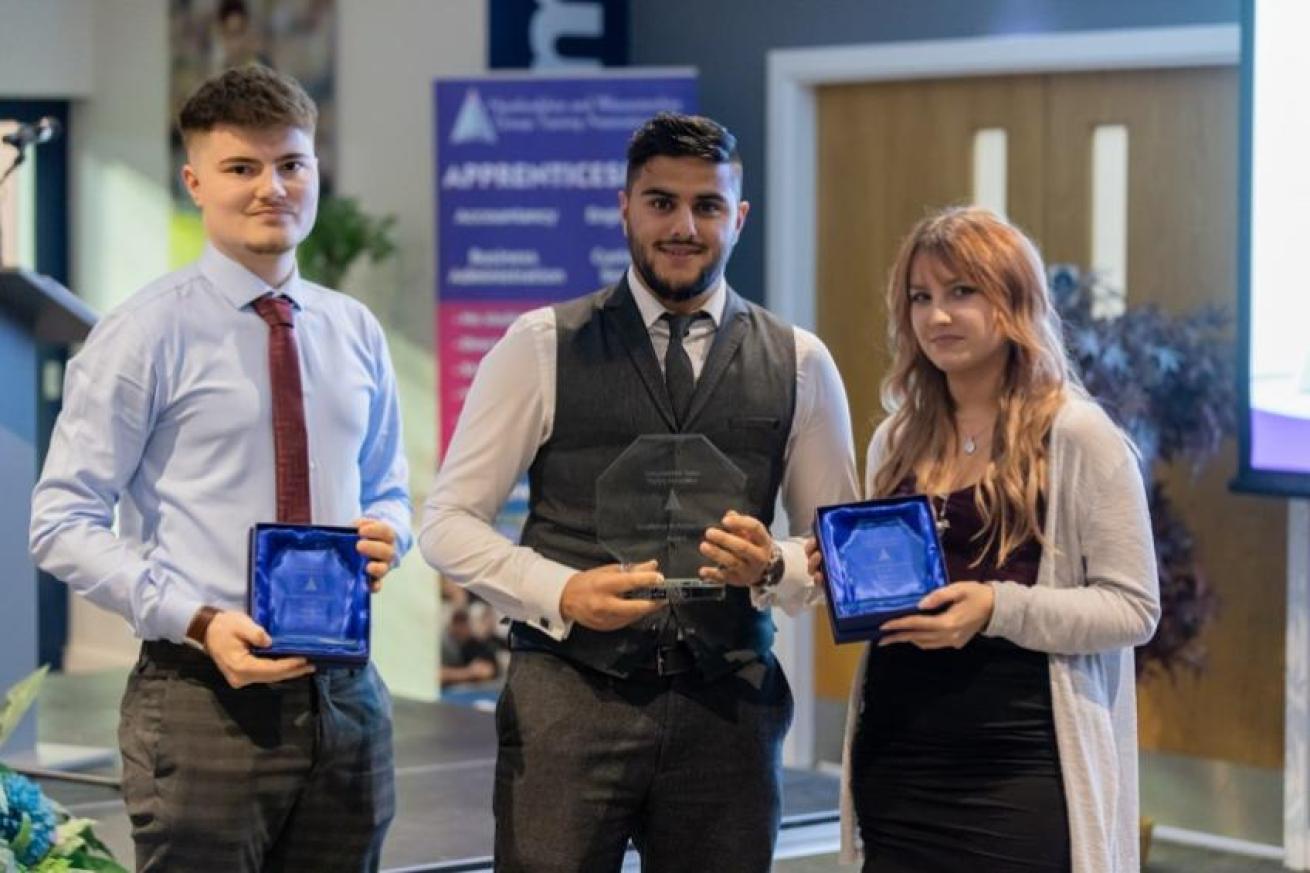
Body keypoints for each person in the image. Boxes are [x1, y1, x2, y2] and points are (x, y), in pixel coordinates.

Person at [421, 113, 858, 872]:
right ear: (624, 206)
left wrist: (775, 566)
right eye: (661, 202)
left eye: (708, 206)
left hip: (730, 711)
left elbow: (842, 545)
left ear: (739, 217)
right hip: (569, 705)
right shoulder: (539, 344)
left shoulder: (799, 361)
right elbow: (448, 522)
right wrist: (562, 591)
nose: (684, 226)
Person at [29, 64, 410, 873]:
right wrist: (199, 619)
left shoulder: (354, 331)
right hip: (202, 695)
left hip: (347, 696)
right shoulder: (143, 334)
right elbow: (60, 523)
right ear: (196, 181)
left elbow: (388, 485)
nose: (272, 187)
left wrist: (392, 532)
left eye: (292, 164)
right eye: (243, 168)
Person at [807, 206, 1159, 873]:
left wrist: (996, 608)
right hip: (899, 755)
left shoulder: (1081, 437)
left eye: (961, 292)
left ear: (1014, 300)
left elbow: (1133, 608)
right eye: (922, 297)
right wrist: (833, 574)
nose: (938, 316)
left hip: (1019, 762)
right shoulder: (897, 438)